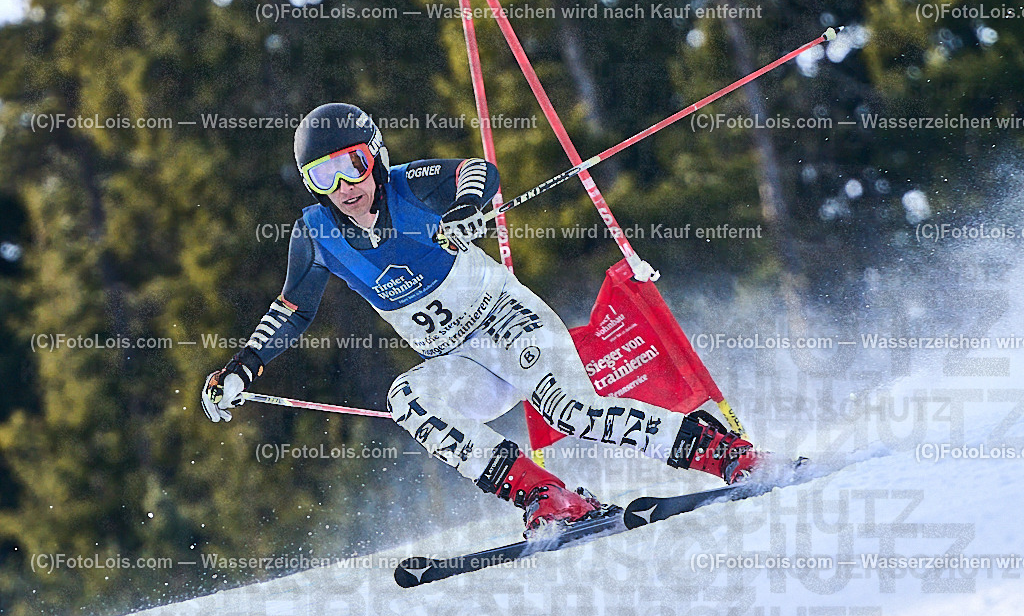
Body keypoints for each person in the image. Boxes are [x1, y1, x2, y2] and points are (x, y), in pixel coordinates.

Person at [201, 103, 756, 535]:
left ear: (375, 155)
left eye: (353, 164)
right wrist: (243, 367)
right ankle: (548, 497)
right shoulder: (314, 235)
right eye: (324, 177)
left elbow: (478, 172)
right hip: (459, 361)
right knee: (409, 400)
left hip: (506, 322)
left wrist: (466, 213)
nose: (345, 186)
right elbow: (292, 309)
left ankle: (724, 453)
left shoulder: (408, 186)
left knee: (572, 411)